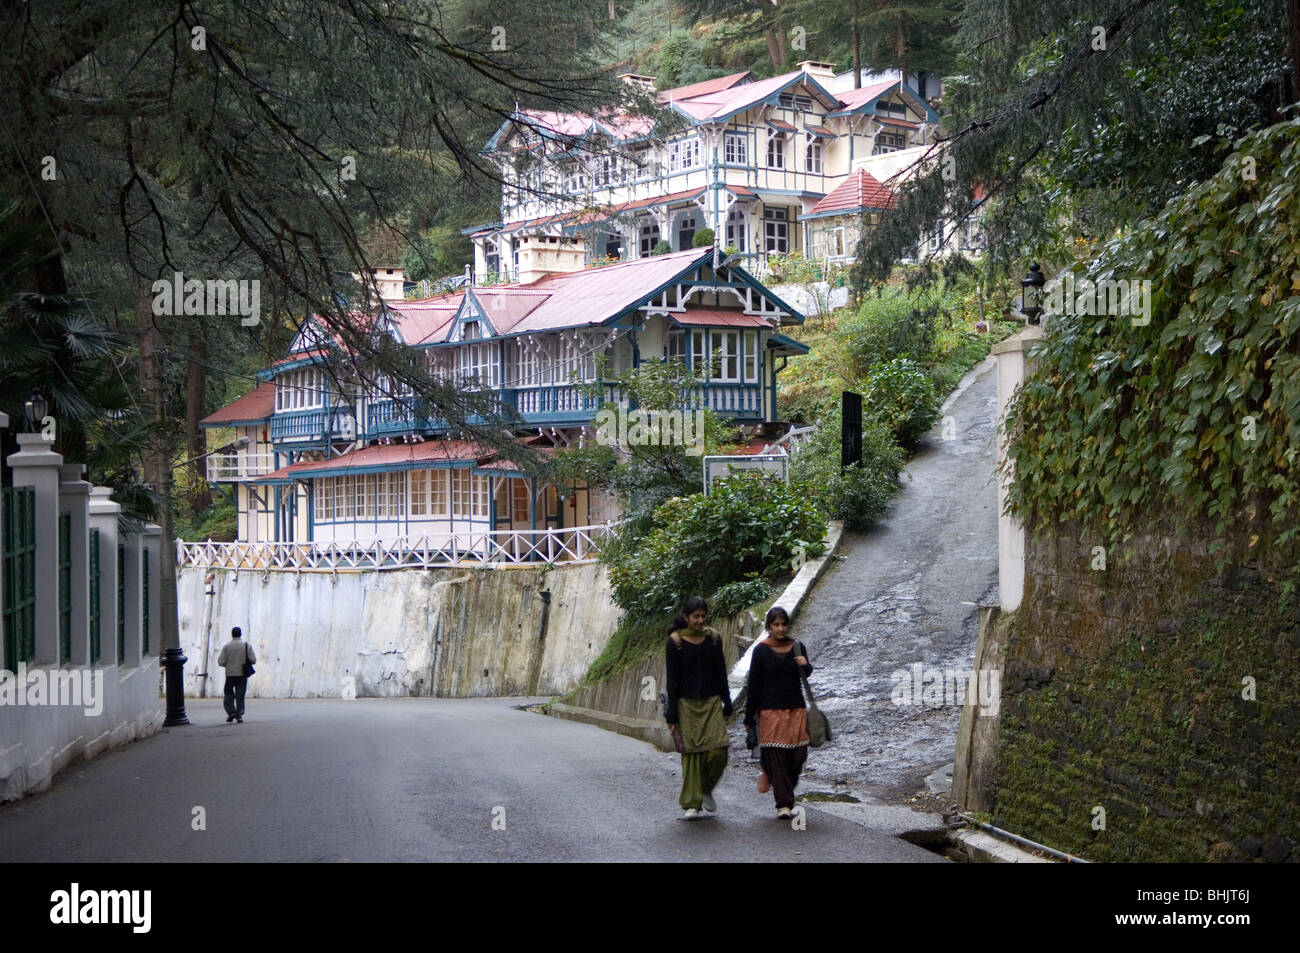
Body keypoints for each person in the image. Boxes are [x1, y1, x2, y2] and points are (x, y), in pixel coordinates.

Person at [663, 596, 732, 820]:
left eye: (703, 616)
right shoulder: (675, 642)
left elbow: (721, 671)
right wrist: (671, 713)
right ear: (686, 617)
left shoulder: (713, 638)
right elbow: (672, 681)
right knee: (692, 755)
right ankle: (691, 803)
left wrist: (727, 699)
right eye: (696, 617)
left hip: (712, 702)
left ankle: (705, 789)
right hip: (686, 704)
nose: (700, 621)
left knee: (719, 750)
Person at [744, 606, 812, 819]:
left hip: (795, 710)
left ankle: (779, 783)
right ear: (768, 627)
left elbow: (806, 674)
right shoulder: (761, 650)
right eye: (776, 625)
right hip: (769, 713)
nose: (780, 629)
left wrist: (806, 665)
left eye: (783, 624)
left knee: (798, 756)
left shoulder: (797, 647)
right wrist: (749, 718)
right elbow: (753, 685)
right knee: (777, 756)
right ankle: (784, 804)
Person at [217, 626, 256, 723]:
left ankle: (231, 712)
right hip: (242, 674)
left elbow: (221, 662)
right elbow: (253, 660)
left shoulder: (227, 646)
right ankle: (239, 714)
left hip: (230, 674)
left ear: (232, 634)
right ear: (240, 634)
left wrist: (229, 664)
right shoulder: (246, 645)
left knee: (228, 694)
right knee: (240, 694)